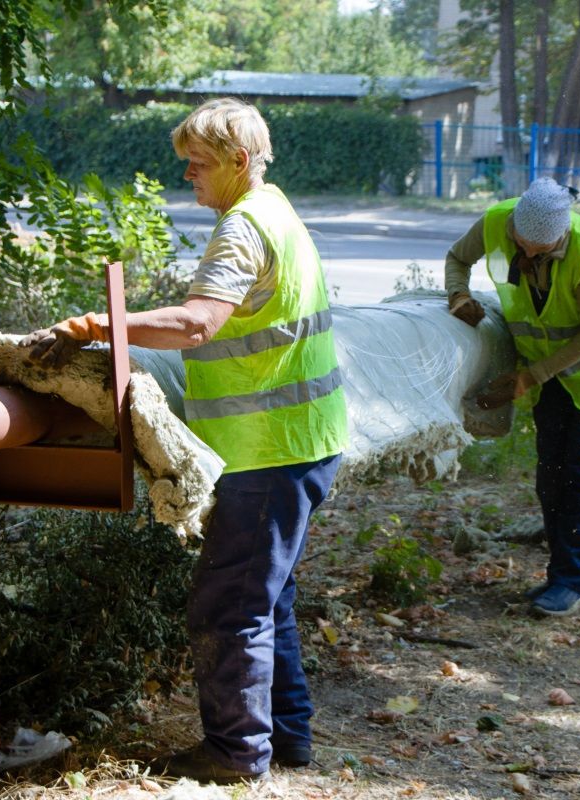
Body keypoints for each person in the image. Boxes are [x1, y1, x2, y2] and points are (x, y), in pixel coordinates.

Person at [21, 98, 348, 784]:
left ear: (237, 161)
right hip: (305, 441)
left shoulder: (241, 230)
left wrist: (97, 325)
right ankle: (287, 738)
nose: (189, 177)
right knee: (269, 597)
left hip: (268, 452)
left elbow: (198, 323)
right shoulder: (278, 211)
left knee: (229, 605)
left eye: (197, 165)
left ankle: (235, 756)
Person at [444, 177, 580, 617]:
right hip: (547, 367)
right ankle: (561, 571)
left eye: (542, 250)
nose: (530, 255)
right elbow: (458, 258)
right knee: (551, 471)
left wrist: (528, 378)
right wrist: (457, 295)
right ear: (515, 224)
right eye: (524, 246)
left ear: (563, 233)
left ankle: (572, 582)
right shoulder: (497, 221)